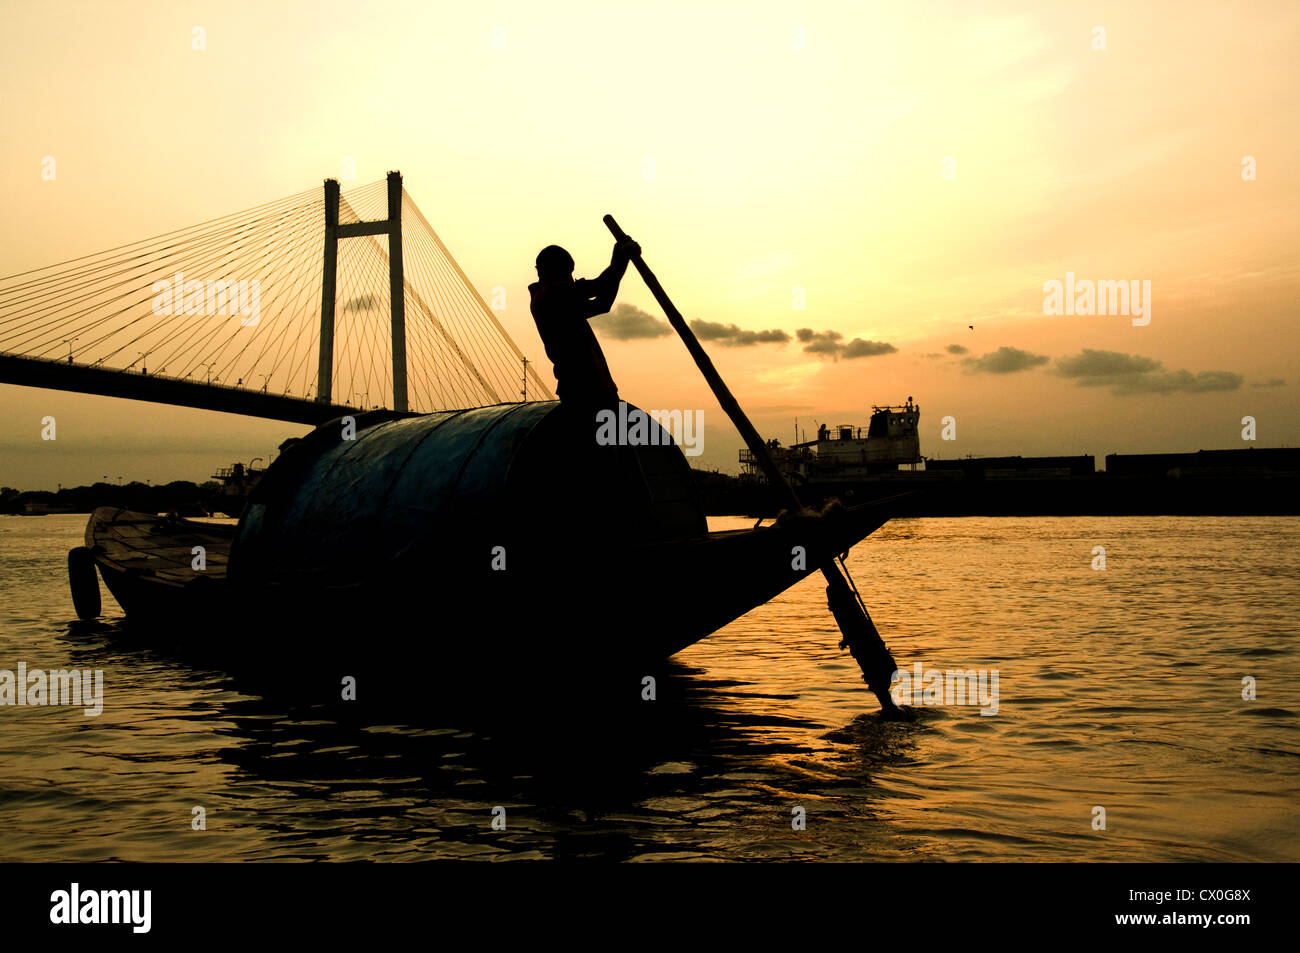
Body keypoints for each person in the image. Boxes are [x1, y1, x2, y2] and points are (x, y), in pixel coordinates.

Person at [528, 237, 640, 408]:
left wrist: (620, 258)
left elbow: (603, 304)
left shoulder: (551, 298)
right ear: (556, 271)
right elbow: (600, 286)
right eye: (568, 273)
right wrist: (621, 257)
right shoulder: (552, 296)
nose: (572, 279)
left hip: (588, 386)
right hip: (584, 388)